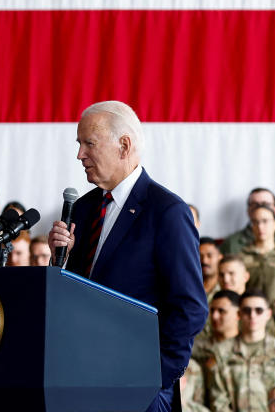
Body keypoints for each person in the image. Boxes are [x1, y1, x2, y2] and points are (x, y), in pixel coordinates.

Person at [49, 101, 207, 412]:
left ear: (124, 145)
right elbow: (69, 299)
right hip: (80, 381)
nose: (79, 154)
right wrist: (59, 263)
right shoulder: (82, 208)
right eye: (79, 144)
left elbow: (190, 308)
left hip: (138, 392)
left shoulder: (167, 212)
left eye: (88, 143)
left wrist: (154, 378)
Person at [206, 291, 275, 412]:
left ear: (268, 314)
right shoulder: (220, 353)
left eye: (259, 310)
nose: (252, 315)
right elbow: (217, 399)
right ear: (239, 314)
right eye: (247, 310)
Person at [219, 189, 275, 255]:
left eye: (266, 204)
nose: (260, 208)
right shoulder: (231, 245)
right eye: (254, 205)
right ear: (248, 210)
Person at [240, 204, 275, 304]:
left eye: (265, 221)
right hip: (250, 312)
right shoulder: (241, 257)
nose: (260, 226)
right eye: (255, 222)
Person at [191, 290, 241, 369]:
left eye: (221, 311)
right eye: (212, 310)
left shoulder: (248, 349)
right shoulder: (194, 348)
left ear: (238, 314)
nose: (214, 316)